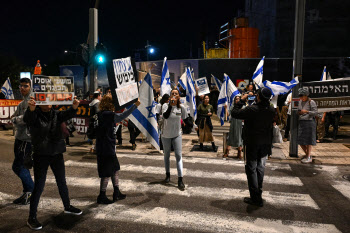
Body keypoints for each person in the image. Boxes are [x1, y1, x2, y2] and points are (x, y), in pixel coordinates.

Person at [24, 96, 82, 230]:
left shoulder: (55, 114)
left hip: (57, 153)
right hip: (41, 155)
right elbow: (28, 120)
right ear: (39, 102)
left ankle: (67, 206)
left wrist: (74, 106)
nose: (48, 102)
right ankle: (31, 217)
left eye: (49, 99)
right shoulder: (35, 114)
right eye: (45, 99)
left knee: (62, 181)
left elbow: (68, 114)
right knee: (39, 186)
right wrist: (31, 109)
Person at [231, 87, 275, 207]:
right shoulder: (271, 109)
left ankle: (255, 198)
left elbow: (234, 113)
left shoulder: (252, 109)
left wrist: (242, 100)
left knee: (251, 169)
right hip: (265, 143)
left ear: (259, 96)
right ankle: (258, 194)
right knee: (260, 168)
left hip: (252, 143)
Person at [95, 95, 140, 204]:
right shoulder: (108, 115)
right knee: (106, 172)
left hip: (102, 146)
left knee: (115, 168)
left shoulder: (99, 114)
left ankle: (116, 192)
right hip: (107, 148)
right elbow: (123, 116)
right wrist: (135, 106)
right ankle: (102, 195)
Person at [10, 78, 34, 205]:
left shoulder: (31, 100)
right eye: (21, 86)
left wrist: (14, 120)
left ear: (30, 86)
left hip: (26, 139)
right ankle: (27, 193)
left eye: (25, 86)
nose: (22, 88)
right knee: (23, 166)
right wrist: (14, 117)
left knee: (18, 166)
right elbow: (16, 115)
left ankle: (32, 190)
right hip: (21, 138)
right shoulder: (22, 102)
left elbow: (26, 118)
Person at [161, 89, 187, 190]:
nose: (174, 95)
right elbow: (165, 116)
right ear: (170, 96)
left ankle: (180, 179)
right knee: (166, 155)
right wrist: (171, 106)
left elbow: (185, 119)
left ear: (178, 97)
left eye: (176, 94)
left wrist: (193, 125)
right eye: (172, 94)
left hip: (177, 135)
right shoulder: (165, 106)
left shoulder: (182, 108)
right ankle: (167, 175)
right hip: (166, 135)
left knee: (178, 156)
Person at [297, 88, 318, 163]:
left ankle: (308, 156)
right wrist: (300, 112)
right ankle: (308, 155)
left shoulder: (311, 102)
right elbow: (298, 111)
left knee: (309, 140)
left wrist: (307, 111)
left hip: (309, 122)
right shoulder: (300, 102)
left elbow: (315, 112)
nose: (301, 98)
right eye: (300, 96)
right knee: (300, 140)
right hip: (301, 122)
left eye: (302, 96)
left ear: (306, 95)